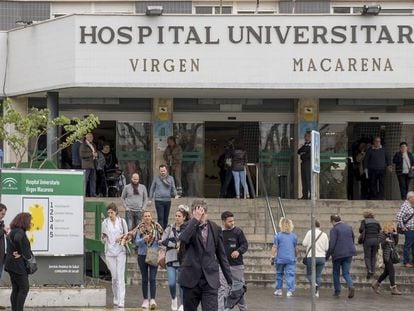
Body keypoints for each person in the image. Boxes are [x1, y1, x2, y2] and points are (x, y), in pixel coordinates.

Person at [178, 199, 232, 311]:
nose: (201, 215)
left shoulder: (215, 228)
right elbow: (184, 239)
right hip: (190, 278)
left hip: (210, 279)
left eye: (203, 212)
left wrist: (230, 279)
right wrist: (195, 220)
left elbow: (222, 256)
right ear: (193, 213)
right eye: (197, 212)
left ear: (206, 213)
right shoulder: (186, 226)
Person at [161, 205, 190, 311]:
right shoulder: (169, 228)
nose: (177, 217)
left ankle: (182, 304)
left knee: (182, 283)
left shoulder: (187, 229)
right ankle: (173, 299)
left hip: (183, 260)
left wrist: (181, 245)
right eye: (176, 215)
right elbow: (163, 240)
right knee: (172, 283)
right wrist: (175, 245)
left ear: (184, 217)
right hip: (170, 259)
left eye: (179, 216)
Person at [133, 210, 163, 309]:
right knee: (145, 278)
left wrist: (159, 242)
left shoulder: (157, 228)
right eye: (145, 216)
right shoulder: (139, 228)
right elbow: (136, 242)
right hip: (142, 255)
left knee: (153, 278)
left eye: (149, 216)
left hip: (153, 254)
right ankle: (145, 299)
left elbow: (161, 239)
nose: (147, 218)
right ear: (143, 218)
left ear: (151, 217)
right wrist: (143, 239)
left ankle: (153, 299)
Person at [218, 211, 248, 311]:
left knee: (238, 289)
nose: (232, 223)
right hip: (222, 266)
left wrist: (238, 251)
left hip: (236, 266)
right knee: (222, 289)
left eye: (233, 221)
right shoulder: (219, 233)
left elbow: (245, 245)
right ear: (223, 221)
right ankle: (222, 309)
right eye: (229, 221)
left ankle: (242, 308)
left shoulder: (238, 232)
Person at [101, 203, 128, 308]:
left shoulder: (122, 222)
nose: (110, 214)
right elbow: (102, 238)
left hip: (121, 251)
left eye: (111, 212)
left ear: (116, 212)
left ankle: (122, 299)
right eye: (108, 213)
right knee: (115, 277)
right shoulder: (105, 223)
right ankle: (116, 297)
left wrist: (121, 237)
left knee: (120, 276)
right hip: (109, 252)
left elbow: (127, 235)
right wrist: (104, 238)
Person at [5, 212, 34, 311]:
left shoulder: (13, 230)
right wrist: (20, 252)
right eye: (30, 222)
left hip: (11, 264)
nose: (31, 224)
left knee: (16, 289)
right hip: (17, 265)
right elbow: (17, 239)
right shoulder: (20, 232)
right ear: (25, 221)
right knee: (24, 288)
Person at [326, 214, 357, 299]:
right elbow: (353, 239)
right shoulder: (349, 227)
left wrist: (327, 255)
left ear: (333, 221)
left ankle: (337, 291)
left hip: (338, 254)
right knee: (346, 272)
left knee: (336, 272)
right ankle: (350, 285)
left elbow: (332, 244)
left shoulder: (334, 229)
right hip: (349, 253)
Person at [371, 222, 402, 295]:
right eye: (392, 227)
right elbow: (379, 245)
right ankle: (393, 288)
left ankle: (376, 284)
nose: (393, 229)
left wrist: (395, 234)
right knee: (392, 271)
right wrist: (385, 241)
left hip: (391, 255)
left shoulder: (391, 235)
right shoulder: (382, 234)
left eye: (393, 228)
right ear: (387, 227)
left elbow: (395, 243)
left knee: (386, 272)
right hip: (385, 256)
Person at [271, 218, 298, 297]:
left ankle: (279, 290)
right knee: (290, 274)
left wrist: (272, 256)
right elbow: (296, 248)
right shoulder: (294, 236)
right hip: (290, 258)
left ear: (281, 225)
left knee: (279, 274)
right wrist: (295, 256)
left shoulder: (278, 236)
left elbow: (274, 247)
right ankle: (289, 291)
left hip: (280, 258)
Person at [302, 220, 329, 297]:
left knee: (310, 274)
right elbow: (327, 248)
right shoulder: (324, 234)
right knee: (318, 275)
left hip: (311, 256)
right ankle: (316, 292)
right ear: (319, 226)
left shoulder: (310, 232)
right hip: (321, 257)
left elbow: (304, 243)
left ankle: (314, 285)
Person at [149, 165, 178, 230]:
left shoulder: (171, 178)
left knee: (166, 218)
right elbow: (152, 188)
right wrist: (150, 199)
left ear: (166, 171)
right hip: (158, 200)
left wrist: (175, 194)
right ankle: (160, 233)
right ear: (159, 171)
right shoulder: (156, 178)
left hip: (167, 200)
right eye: (161, 171)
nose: (163, 172)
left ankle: (165, 232)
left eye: (164, 171)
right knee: (160, 218)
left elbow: (173, 187)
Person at [359, 209, 381, 280]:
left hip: (367, 240)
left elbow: (361, 230)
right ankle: (373, 270)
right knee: (373, 256)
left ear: (365, 215)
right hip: (376, 240)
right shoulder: (376, 222)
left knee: (367, 256)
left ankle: (369, 270)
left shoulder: (364, 221)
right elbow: (379, 230)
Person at [396, 191, 414, 268]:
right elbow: (399, 217)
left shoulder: (411, 205)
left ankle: (412, 262)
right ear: (409, 198)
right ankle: (406, 262)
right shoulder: (405, 206)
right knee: (408, 246)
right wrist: (403, 227)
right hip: (409, 230)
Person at [80, 132, 98, 197]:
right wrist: (91, 154)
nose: (92, 138)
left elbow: (95, 152)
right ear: (86, 137)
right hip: (86, 165)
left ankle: (93, 194)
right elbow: (82, 155)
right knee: (85, 180)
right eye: (90, 137)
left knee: (93, 179)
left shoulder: (93, 144)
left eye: (92, 137)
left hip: (93, 164)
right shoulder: (83, 145)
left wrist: (96, 155)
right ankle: (83, 194)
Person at [297, 131, 311, 199]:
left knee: (308, 179)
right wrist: (303, 153)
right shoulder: (305, 145)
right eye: (305, 136)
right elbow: (299, 151)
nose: (306, 138)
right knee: (304, 179)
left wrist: (303, 154)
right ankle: (304, 195)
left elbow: (308, 155)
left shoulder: (311, 145)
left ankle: (311, 195)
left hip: (309, 164)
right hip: (303, 163)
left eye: (307, 136)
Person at [0, 204, 7, 310]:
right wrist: (3, 230)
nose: (3, 216)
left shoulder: (1, 223)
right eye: (2, 213)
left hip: (2, 257)